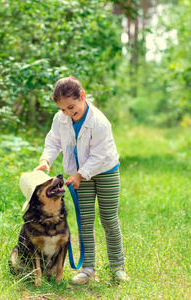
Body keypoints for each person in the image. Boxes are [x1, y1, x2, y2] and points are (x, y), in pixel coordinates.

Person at [34, 76, 128, 284]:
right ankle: (88, 269)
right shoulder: (61, 119)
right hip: (79, 175)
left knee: (108, 220)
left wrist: (79, 175)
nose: (68, 113)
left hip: (106, 171)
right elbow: (53, 141)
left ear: (82, 96)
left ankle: (117, 267)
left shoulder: (99, 122)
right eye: (63, 110)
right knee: (84, 221)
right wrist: (45, 160)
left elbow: (99, 156)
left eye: (71, 107)